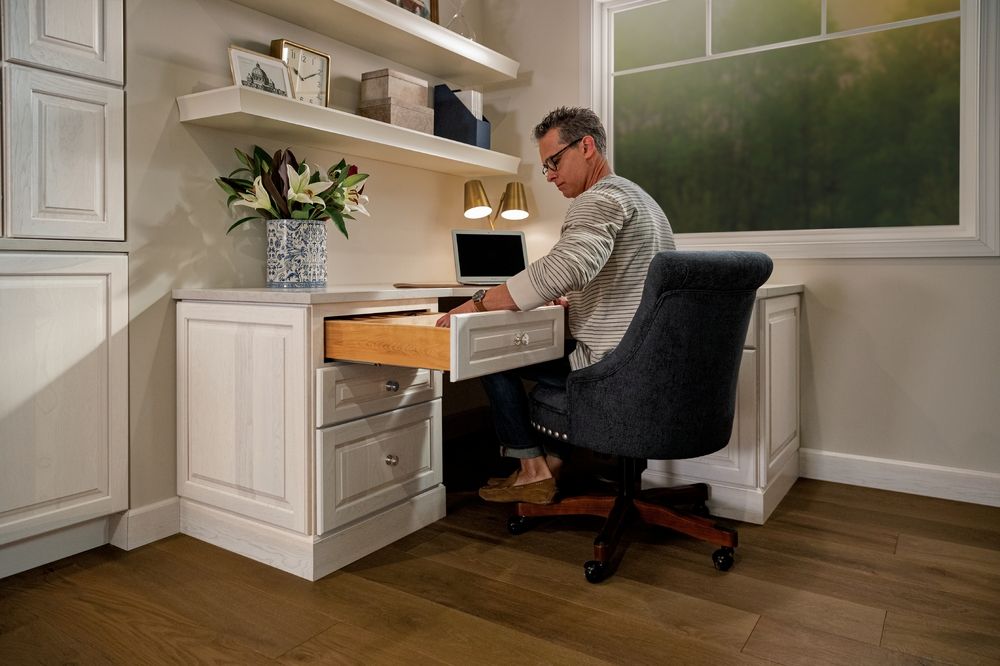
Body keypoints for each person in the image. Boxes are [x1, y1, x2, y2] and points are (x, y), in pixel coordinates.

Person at [435, 106, 675, 504]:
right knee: (534, 350)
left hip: (610, 368)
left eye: (554, 162)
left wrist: (476, 304)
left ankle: (532, 469)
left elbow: (566, 267)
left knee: (487, 352)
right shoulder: (640, 199)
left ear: (586, 147)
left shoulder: (599, 199)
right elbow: (618, 277)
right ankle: (550, 465)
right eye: (545, 167)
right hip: (642, 361)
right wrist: (573, 296)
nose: (549, 176)